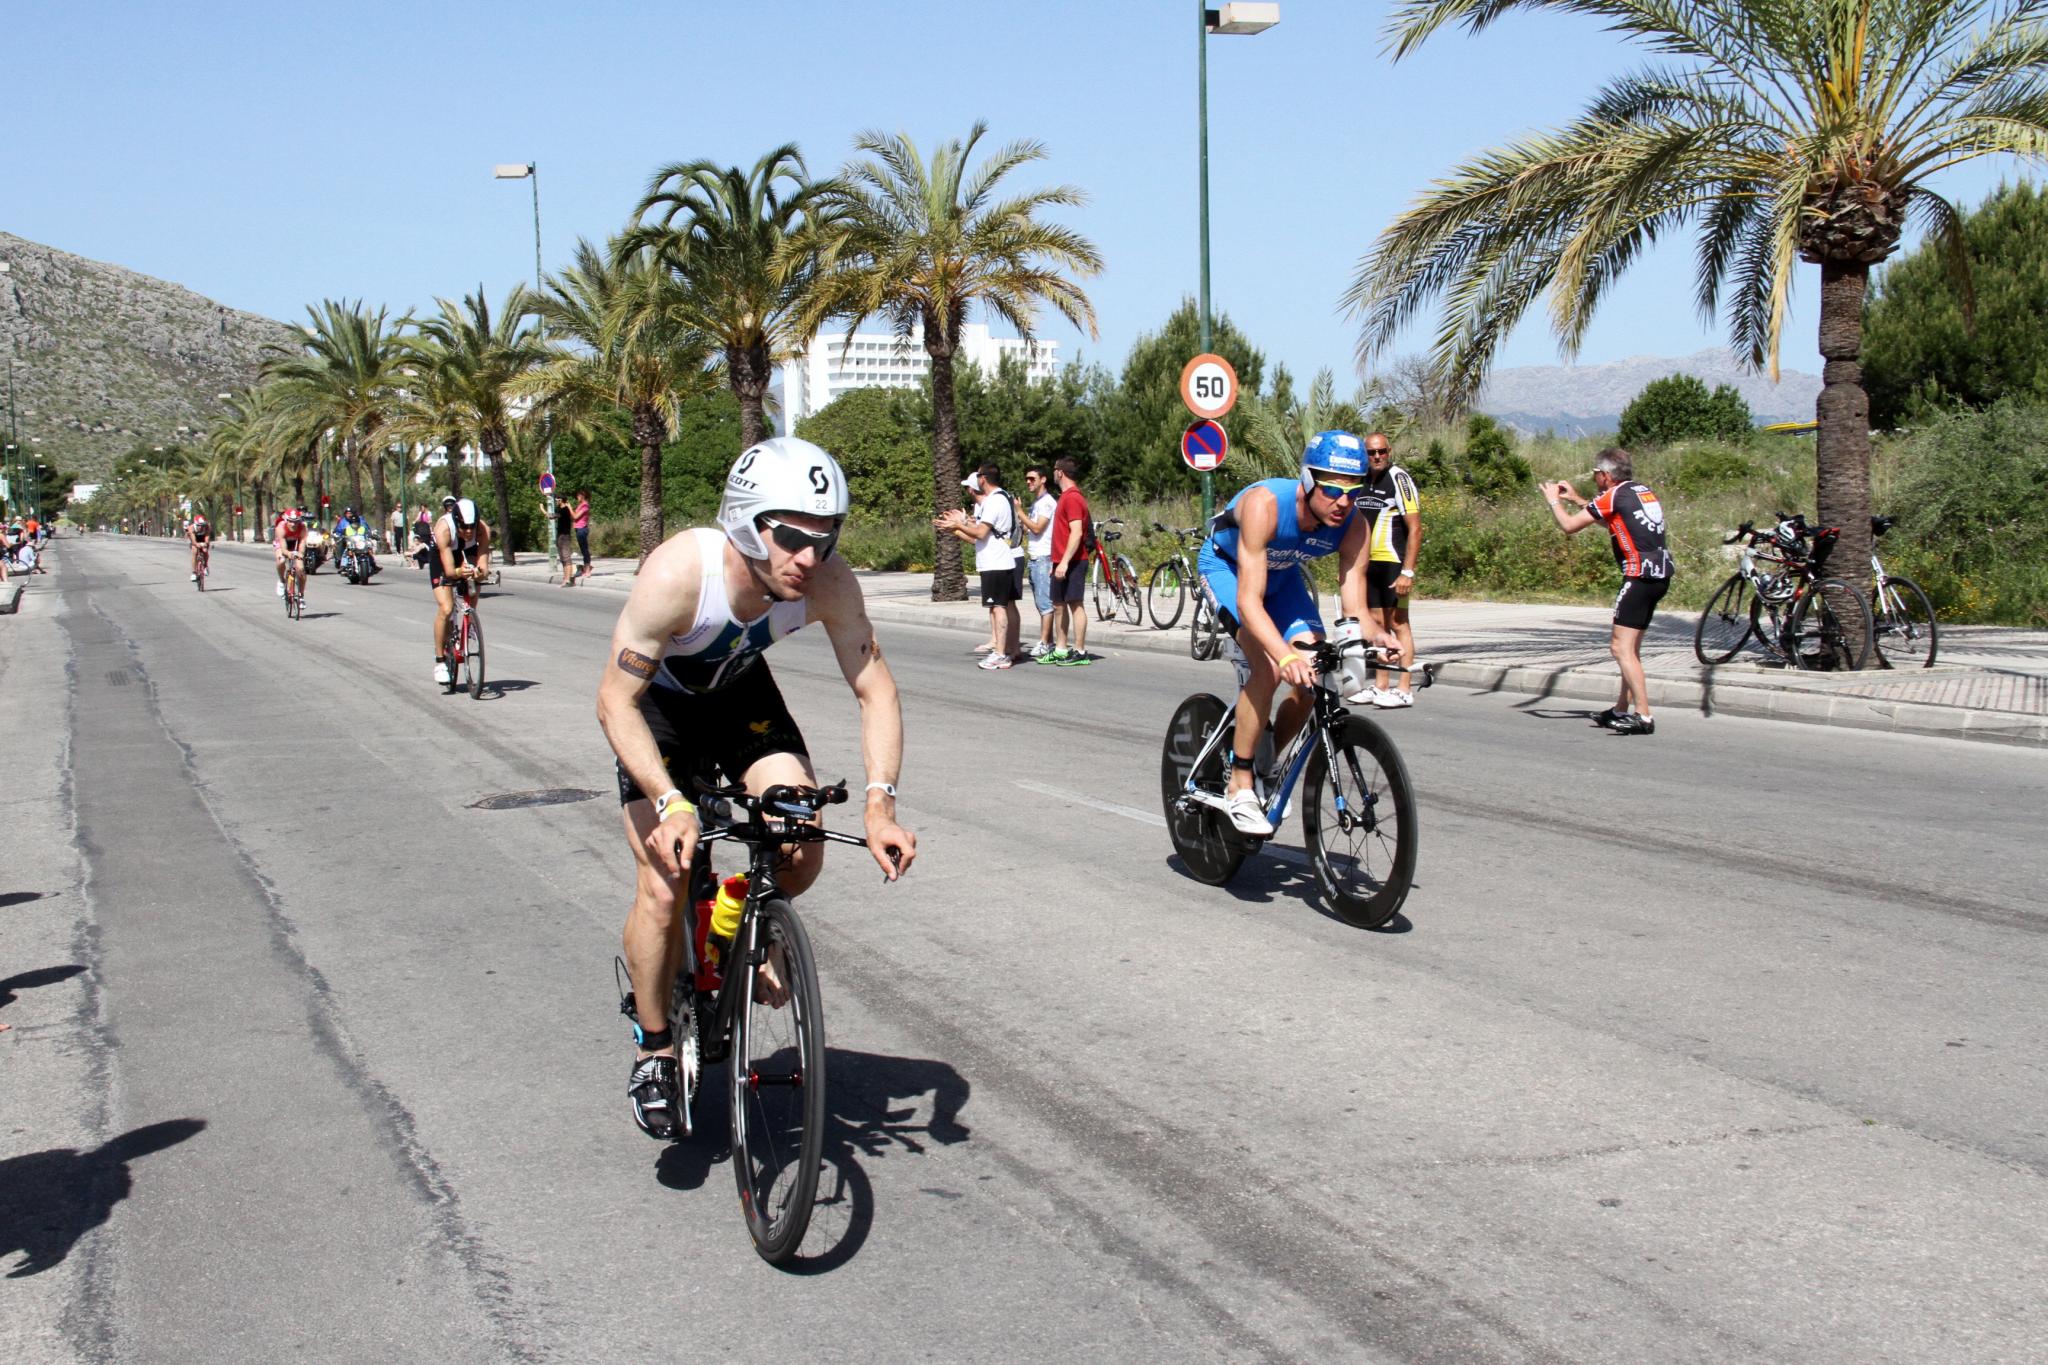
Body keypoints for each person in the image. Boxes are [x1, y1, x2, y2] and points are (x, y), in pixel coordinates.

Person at [597, 436, 917, 1141]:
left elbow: (876, 688)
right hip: (658, 710)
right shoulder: (680, 573)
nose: (811, 557)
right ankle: (654, 1048)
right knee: (662, 880)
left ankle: (747, 920)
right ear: (746, 522)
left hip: (737, 694)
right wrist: (674, 801)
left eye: (827, 539)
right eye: (793, 537)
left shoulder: (827, 581)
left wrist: (878, 801)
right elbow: (614, 701)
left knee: (800, 836)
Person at [1195, 431, 1400, 835]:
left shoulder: (1353, 524)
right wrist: (1284, 655)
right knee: (1269, 668)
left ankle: (1265, 764)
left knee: (1317, 672)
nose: (1343, 503)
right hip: (1227, 570)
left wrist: (1379, 635)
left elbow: (1355, 605)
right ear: (1306, 481)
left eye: (1353, 492)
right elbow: (1250, 602)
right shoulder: (1265, 505)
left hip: (1282, 580)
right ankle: (1240, 781)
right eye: (1331, 490)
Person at [1543, 447, 1673, 736]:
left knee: (1619, 647)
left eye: (1595, 474)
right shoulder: (1639, 491)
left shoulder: (1612, 495)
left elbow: (1568, 526)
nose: (1595, 479)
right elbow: (1610, 519)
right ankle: (1620, 709)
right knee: (1631, 649)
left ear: (1604, 475)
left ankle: (1644, 715)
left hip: (1639, 576)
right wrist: (1577, 499)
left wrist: (1554, 501)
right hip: (1658, 575)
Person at [933, 464, 1022, 670]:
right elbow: (978, 539)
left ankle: (1001, 654)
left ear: (983, 479)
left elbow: (980, 533)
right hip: (993, 562)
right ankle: (1001, 650)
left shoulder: (995, 500)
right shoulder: (997, 499)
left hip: (997, 562)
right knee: (995, 607)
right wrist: (955, 529)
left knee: (998, 607)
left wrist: (958, 525)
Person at [1359, 434, 1422, 707]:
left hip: (1393, 562)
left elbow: (1416, 528)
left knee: (1398, 623)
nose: (1376, 457)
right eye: (1371, 453)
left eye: (1381, 451)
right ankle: (1381, 685)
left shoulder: (1399, 478)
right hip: (1368, 563)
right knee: (1377, 625)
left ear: (1389, 451)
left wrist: (1407, 572)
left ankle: (1404, 688)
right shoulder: (1362, 479)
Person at [430, 495, 493, 683]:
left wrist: (480, 573)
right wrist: (458, 571)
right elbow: (449, 571)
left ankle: (469, 619)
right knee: (447, 608)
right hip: (444, 555)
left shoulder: (482, 530)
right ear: (456, 522)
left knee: (475, 583)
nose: (468, 531)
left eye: (471, 527)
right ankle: (440, 660)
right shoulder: (444, 529)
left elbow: (483, 564)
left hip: (467, 552)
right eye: (464, 527)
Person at [1041, 457, 1094, 666]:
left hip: (1074, 561)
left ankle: (1080, 651)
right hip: (1061, 561)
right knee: (1059, 604)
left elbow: (1076, 532)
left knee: (1075, 604)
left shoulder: (1072, 498)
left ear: (1060, 472)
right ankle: (1061, 649)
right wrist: (1056, 563)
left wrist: (1064, 562)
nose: (1053, 473)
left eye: (1054, 470)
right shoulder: (1065, 497)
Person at [1020, 464, 1059, 658]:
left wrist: (1019, 512)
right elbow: (1031, 528)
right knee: (1040, 603)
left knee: (1045, 604)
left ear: (1043, 479)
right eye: (1027, 479)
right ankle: (1049, 641)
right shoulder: (1037, 503)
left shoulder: (1047, 502)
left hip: (1044, 557)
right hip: (1035, 557)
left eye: (1032, 479)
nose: (1028, 482)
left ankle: (1045, 642)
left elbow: (1037, 528)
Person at [273, 507, 309, 601]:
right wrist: (288, 554)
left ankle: (301, 596)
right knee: (281, 560)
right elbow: (283, 549)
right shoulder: (280, 528)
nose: (293, 524)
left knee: (301, 569)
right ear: (286, 520)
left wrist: (300, 554)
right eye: (290, 521)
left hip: (296, 544)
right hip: (283, 544)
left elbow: (302, 544)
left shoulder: (303, 528)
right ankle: (281, 581)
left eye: (296, 521)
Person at [554, 497, 577, 586]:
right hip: (560, 535)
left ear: (561, 500)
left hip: (565, 536)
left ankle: (568, 580)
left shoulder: (565, 510)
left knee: (566, 558)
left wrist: (542, 509)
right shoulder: (560, 509)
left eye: (557, 500)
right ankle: (566, 578)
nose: (556, 501)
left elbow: (552, 516)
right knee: (562, 558)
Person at [187, 509, 212, 582]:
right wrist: (196, 544)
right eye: (199, 525)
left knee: (205, 550)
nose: (201, 527)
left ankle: (205, 566)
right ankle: (194, 572)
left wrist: (205, 544)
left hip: (203, 538)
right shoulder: (191, 528)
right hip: (195, 539)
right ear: (195, 524)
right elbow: (193, 540)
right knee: (194, 552)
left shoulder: (207, 527)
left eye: (202, 525)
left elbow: (207, 537)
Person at [573, 489, 592, 581]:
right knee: (583, 549)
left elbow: (575, 516)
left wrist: (569, 508)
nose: (577, 497)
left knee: (585, 550)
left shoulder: (585, 506)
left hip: (582, 529)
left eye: (578, 495)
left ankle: (587, 570)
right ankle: (586, 568)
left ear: (582, 496)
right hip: (578, 529)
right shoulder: (580, 505)